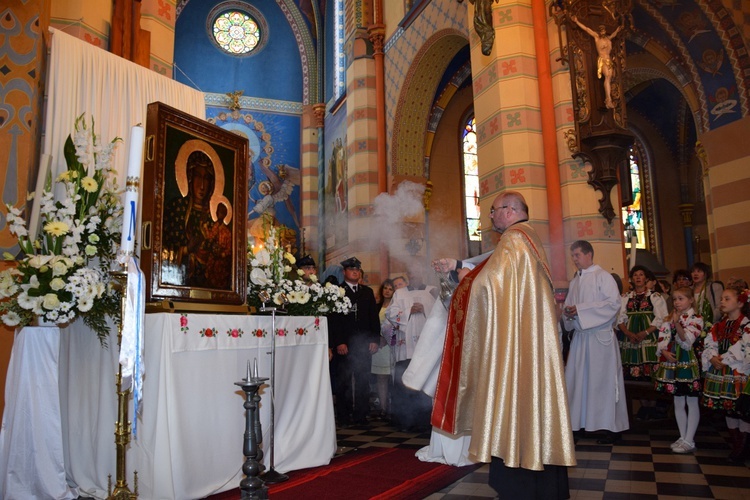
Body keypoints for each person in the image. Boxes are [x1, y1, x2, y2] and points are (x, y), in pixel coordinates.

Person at [432, 191, 575, 499]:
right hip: (529, 347)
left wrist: (462, 278)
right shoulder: (530, 239)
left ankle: (519, 485)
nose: (491, 217)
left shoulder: (513, 240)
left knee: (515, 406)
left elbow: (488, 287)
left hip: (517, 353)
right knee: (533, 409)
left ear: (510, 211)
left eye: (494, 211)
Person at [563, 240, 629, 444]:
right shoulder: (575, 282)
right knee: (578, 382)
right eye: (573, 255)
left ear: (589, 254)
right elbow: (569, 307)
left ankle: (611, 428)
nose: (574, 259)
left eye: (577, 255)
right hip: (582, 339)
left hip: (600, 339)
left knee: (603, 383)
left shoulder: (603, 277)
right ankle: (579, 425)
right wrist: (569, 314)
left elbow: (613, 304)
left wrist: (581, 310)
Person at [327, 257, 380, 427]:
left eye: (357, 269)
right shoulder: (337, 292)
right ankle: (343, 415)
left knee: (363, 380)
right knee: (344, 381)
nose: (355, 272)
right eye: (351, 269)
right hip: (345, 344)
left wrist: (374, 339)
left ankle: (361, 415)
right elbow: (334, 320)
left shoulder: (367, 292)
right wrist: (339, 342)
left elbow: (373, 318)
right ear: (344, 272)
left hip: (363, 343)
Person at [701, 287, 750, 461]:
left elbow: (743, 347)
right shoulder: (719, 324)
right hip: (721, 369)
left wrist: (723, 358)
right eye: (721, 299)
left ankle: (743, 446)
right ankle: (737, 444)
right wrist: (712, 356)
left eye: (727, 299)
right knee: (728, 409)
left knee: (741, 409)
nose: (722, 301)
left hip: (737, 370)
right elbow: (710, 341)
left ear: (740, 303)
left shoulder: (746, 325)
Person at [654, 286, 703, 453]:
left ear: (690, 300)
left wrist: (676, 322)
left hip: (687, 363)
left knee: (691, 400)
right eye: (675, 299)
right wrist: (664, 351)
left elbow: (686, 340)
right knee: (678, 400)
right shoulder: (668, 319)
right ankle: (682, 436)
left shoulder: (696, 318)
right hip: (673, 363)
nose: (677, 302)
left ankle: (690, 439)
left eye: (681, 298)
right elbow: (663, 337)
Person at [163, 150, 218, 287]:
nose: (202, 186)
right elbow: (162, 249)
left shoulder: (214, 217)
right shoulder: (176, 208)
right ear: (189, 177)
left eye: (206, 179)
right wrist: (187, 250)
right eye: (198, 177)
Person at [617, 266, 668, 383]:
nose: (638, 277)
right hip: (629, 337)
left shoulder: (655, 296)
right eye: (635, 275)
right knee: (631, 380)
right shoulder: (625, 297)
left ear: (646, 278)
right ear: (631, 279)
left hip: (649, 335)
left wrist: (646, 332)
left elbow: (661, 317)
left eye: (641, 274)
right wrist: (628, 333)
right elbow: (619, 318)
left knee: (651, 377)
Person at [572, 15, 623, 109]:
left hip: (609, 60)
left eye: (604, 30)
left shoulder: (608, 39)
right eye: (601, 30)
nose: (603, 32)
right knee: (607, 76)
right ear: (599, 32)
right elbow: (587, 29)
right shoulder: (597, 38)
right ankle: (608, 99)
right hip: (602, 60)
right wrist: (577, 21)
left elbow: (613, 35)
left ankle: (608, 98)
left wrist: (617, 30)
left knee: (610, 78)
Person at [372, 279, 395, 419]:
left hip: (391, 346)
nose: (387, 291)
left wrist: (388, 339)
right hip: (379, 347)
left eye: (390, 289)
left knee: (393, 377)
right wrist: (377, 338)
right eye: (385, 288)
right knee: (381, 378)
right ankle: (383, 407)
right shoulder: (376, 306)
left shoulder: (397, 306)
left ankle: (394, 407)